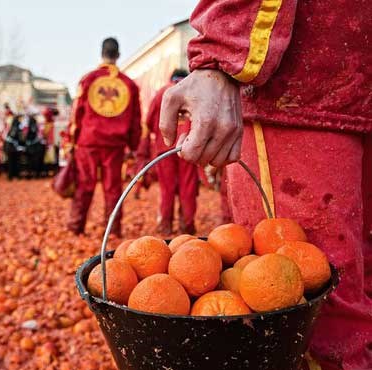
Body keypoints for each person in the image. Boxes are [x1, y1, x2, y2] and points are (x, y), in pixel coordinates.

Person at [159, 1, 371, 368]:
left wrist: (222, 54)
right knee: (353, 295)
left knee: (304, 316)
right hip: (353, 80)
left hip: (304, 87)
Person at [67, 37, 141, 236]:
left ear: (102, 53)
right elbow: (135, 119)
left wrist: (71, 141)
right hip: (114, 145)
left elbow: (77, 114)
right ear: (118, 55)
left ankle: (75, 228)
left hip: (88, 142)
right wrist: (133, 146)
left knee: (84, 185)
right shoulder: (129, 85)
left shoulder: (88, 80)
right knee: (113, 189)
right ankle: (113, 232)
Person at [146, 69, 198, 235]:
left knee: (166, 189)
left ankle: (165, 227)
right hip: (188, 146)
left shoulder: (162, 92)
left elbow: (148, 121)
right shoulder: (194, 91)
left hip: (165, 148)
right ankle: (187, 227)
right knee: (188, 188)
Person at [4, 116, 26, 180]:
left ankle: (11, 176)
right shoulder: (17, 129)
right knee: (15, 162)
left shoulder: (12, 128)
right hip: (14, 149)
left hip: (11, 148)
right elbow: (20, 139)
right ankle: (15, 176)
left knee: (11, 162)